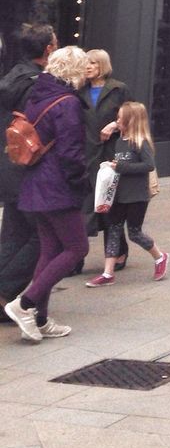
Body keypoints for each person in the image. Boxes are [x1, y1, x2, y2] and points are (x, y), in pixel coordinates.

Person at [4, 46, 88, 342]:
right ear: (74, 70)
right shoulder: (68, 103)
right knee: (77, 249)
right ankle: (25, 304)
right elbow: (71, 153)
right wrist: (81, 183)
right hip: (58, 187)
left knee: (50, 249)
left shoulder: (38, 95)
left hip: (34, 183)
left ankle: (40, 319)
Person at [0, 24, 57, 316]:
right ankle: (6, 293)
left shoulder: (11, 78)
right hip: (29, 171)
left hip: (7, 168)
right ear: (48, 49)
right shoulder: (38, 84)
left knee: (12, 235)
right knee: (46, 236)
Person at [85, 102, 168, 286]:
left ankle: (160, 256)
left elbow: (148, 165)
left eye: (120, 118)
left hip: (137, 196)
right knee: (113, 230)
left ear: (130, 121)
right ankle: (108, 273)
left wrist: (121, 166)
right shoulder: (119, 142)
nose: (117, 121)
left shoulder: (140, 142)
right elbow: (119, 164)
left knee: (134, 233)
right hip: (119, 195)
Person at [78, 49, 131, 267]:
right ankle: (75, 257)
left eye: (93, 63)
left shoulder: (118, 89)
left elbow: (135, 114)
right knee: (82, 208)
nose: (88, 66)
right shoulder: (78, 91)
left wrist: (115, 125)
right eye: (86, 63)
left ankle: (118, 251)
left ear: (102, 66)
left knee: (109, 206)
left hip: (109, 156)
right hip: (84, 157)